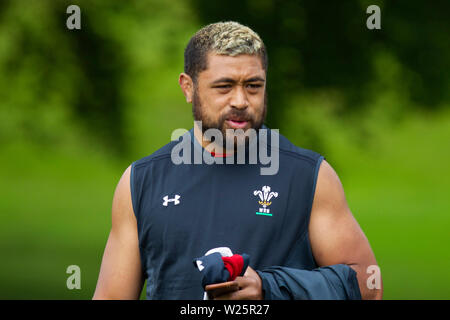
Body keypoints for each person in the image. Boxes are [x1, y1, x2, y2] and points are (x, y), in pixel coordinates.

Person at [93, 21, 383, 300]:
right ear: (188, 87)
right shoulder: (142, 182)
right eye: (224, 86)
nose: (241, 101)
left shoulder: (309, 177)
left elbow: (368, 286)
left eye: (253, 86)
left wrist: (269, 288)